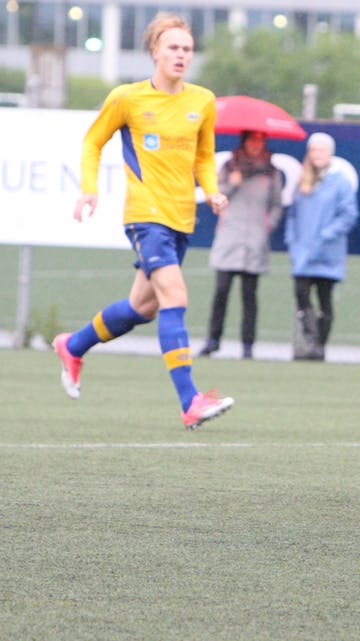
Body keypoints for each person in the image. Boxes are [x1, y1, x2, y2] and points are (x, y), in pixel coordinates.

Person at [52, 11, 234, 430]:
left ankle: (73, 344)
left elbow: (205, 156)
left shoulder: (202, 101)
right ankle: (190, 400)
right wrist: (89, 189)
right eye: (173, 47)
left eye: (187, 49)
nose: (181, 55)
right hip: (145, 215)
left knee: (143, 307)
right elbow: (92, 142)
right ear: (155, 51)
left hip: (181, 219)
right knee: (175, 296)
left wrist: (212, 191)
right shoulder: (127, 98)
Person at [199, 130, 284, 360]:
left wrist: (268, 224)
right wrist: (232, 184)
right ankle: (212, 340)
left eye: (259, 141)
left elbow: (277, 204)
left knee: (249, 296)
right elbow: (215, 197)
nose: (255, 145)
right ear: (244, 142)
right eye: (251, 140)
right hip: (230, 238)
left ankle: (248, 345)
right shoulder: (228, 167)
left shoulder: (272, 171)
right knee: (221, 293)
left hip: (255, 241)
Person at [284, 132, 359, 361]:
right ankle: (312, 342)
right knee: (302, 297)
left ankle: (319, 346)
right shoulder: (302, 182)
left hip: (328, 253)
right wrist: (292, 242)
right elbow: (293, 217)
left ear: (330, 153)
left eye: (322, 150)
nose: (317, 154)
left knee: (325, 299)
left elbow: (349, 215)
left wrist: (326, 235)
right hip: (303, 254)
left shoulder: (340, 182)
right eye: (314, 150)